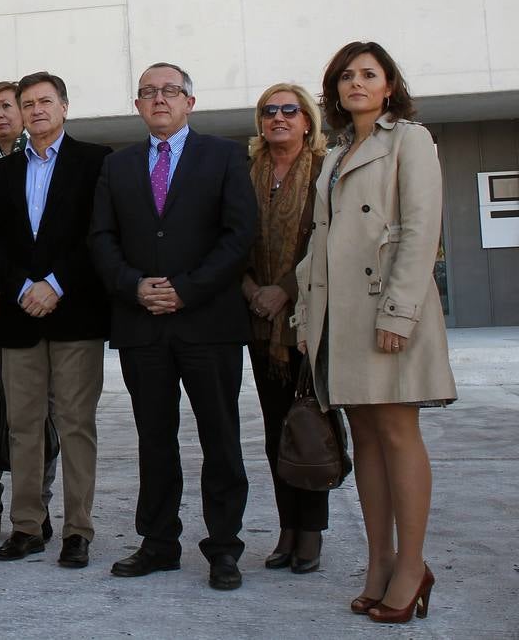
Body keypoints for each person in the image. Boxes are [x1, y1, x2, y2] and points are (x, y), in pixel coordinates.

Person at [295, 41, 457, 622]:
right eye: (345, 76)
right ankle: (380, 561)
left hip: (386, 307)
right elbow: (318, 243)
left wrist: (398, 313)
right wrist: (307, 320)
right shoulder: (335, 154)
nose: (355, 84)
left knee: (395, 430)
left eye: (368, 74)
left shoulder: (409, 140)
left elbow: (420, 230)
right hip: (340, 314)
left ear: (389, 86)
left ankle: (412, 565)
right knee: (363, 435)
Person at [89, 62, 256, 590]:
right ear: (138, 105)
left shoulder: (225, 155)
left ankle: (224, 548)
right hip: (143, 326)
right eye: (147, 92)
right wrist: (134, 285)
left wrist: (187, 287)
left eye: (169, 91)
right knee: (154, 439)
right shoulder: (119, 166)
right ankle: (158, 542)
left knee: (220, 439)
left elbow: (239, 234)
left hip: (208, 322)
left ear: (190, 101)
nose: (158, 99)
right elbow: (100, 238)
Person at [0, 72, 111, 568]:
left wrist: (54, 284)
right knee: (23, 427)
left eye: (44, 101)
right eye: (26, 103)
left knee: (76, 424)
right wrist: (20, 288)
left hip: (76, 312)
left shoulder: (97, 162)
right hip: (19, 317)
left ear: (64, 106)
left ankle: (78, 530)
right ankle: (26, 526)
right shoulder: (2, 173)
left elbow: (99, 233)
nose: (35, 110)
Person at [240, 83, 328, 574]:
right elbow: (232, 237)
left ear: (307, 120)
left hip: (305, 317)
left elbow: (325, 242)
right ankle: (287, 528)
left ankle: (311, 531)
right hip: (258, 321)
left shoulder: (323, 171)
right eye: (269, 111)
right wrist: (252, 289)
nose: (278, 118)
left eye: (289, 110)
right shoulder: (246, 173)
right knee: (277, 428)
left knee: (309, 424)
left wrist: (285, 290)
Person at [0, 81, 58, 543]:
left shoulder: (46, 164)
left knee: (39, 409)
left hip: (39, 305)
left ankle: (36, 502)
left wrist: (29, 291)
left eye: (8, 106)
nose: (0, 114)